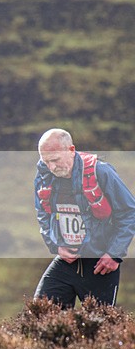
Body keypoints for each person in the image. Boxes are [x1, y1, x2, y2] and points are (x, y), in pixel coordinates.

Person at [33, 128, 135, 308]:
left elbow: (129, 212)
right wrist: (55, 245)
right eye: (46, 161)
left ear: (71, 150)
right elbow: (42, 213)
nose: (51, 167)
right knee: (40, 313)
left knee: (101, 327)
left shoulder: (101, 172)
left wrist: (114, 254)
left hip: (100, 266)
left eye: (55, 160)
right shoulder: (44, 176)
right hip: (66, 262)